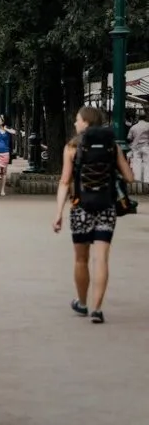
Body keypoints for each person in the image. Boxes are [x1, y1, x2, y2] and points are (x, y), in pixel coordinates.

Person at [52, 106, 134, 324]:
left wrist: (59, 212)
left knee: (81, 259)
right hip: (106, 208)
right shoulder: (112, 146)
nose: (75, 124)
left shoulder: (71, 147)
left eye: (78, 120)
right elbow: (129, 177)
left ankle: (82, 302)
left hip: (80, 208)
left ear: (86, 123)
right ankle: (97, 309)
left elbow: (64, 182)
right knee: (102, 258)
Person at [126, 111, 149, 182]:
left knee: (136, 163)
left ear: (138, 118)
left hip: (136, 148)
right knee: (147, 163)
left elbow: (129, 138)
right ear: (146, 118)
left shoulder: (133, 127)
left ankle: (137, 179)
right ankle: (147, 180)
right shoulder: (148, 125)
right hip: (146, 146)